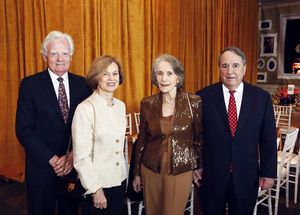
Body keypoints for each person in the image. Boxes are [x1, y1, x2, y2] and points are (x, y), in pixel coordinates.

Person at [15, 31, 91, 215]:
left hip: (72, 169)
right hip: (41, 169)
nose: (60, 58)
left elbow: (89, 127)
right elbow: (24, 130)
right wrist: (53, 159)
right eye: (54, 53)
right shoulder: (30, 85)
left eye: (65, 53)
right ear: (44, 56)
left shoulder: (83, 85)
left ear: (71, 56)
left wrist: (72, 156)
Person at [196, 46, 277, 215]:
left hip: (246, 177)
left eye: (235, 65)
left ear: (244, 68)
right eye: (225, 66)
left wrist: (268, 173)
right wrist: (197, 165)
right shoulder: (203, 97)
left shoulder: (261, 98)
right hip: (211, 177)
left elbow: (268, 139)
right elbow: (196, 136)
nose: (230, 71)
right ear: (219, 69)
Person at [132, 54, 204, 215]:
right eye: (159, 73)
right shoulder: (147, 103)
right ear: (155, 77)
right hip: (150, 168)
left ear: (178, 77)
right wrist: (136, 173)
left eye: (169, 73)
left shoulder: (193, 102)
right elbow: (142, 140)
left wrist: (199, 166)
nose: (164, 78)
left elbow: (198, 138)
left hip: (180, 168)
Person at [72, 55, 127, 215]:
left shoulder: (120, 106)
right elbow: (81, 157)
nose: (111, 78)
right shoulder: (85, 109)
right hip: (97, 185)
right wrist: (95, 189)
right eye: (106, 73)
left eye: (115, 73)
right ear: (96, 77)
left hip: (119, 180)